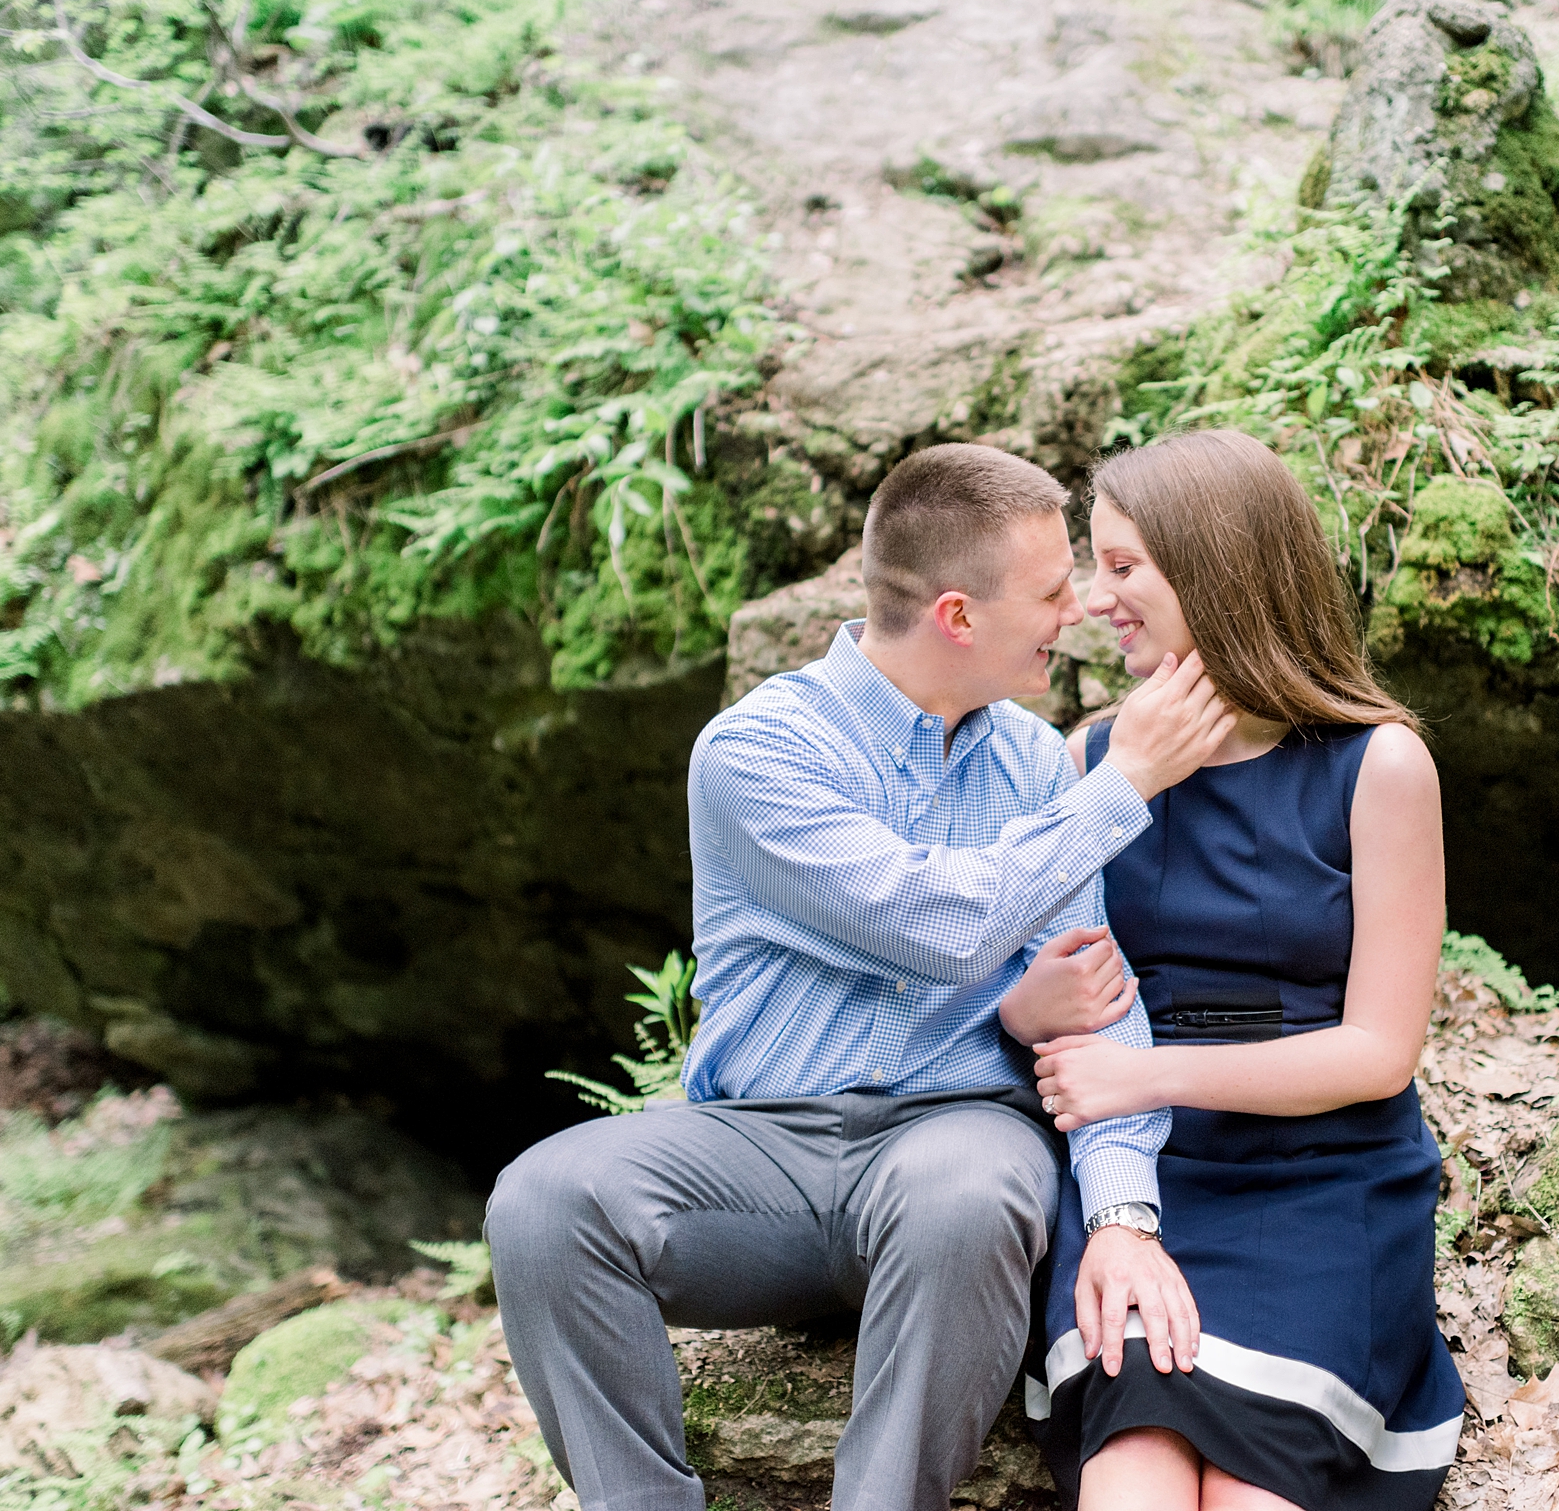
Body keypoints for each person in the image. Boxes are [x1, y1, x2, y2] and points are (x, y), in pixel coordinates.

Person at [486, 442, 1237, 1511]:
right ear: (957, 617)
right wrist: (1124, 784)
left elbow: (1099, 1001)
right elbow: (930, 923)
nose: (1075, 611)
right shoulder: (759, 753)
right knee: (542, 1202)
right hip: (759, 1151)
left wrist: (1122, 1210)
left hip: (951, 1141)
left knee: (969, 1196)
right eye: (1051, 589)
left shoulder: (1031, 763)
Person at [1022, 429, 1465, 1511]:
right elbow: (1035, 987)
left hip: (1325, 1177)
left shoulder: (1378, 764)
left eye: (1123, 566)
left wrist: (1148, 1073)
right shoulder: (1089, 760)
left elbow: (1377, 1054)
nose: (1093, 597)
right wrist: (1041, 1019)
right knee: (1131, 1478)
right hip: (1144, 1177)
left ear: (1213, 567)